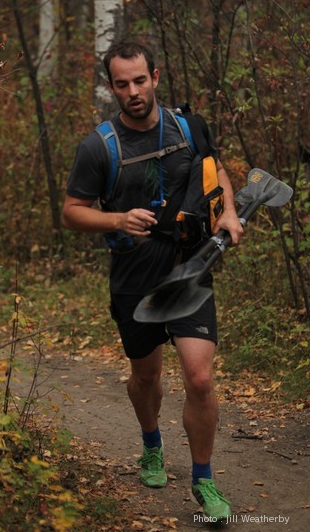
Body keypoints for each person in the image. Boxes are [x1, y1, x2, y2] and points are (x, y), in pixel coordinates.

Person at [61, 41, 243, 521]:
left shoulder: (187, 128)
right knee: (146, 376)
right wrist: (117, 219)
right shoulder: (98, 147)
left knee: (199, 378)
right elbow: (72, 212)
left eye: (140, 80)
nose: (133, 92)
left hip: (189, 270)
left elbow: (216, 170)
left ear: (155, 77)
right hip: (133, 277)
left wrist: (228, 210)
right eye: (122, 84)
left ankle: (203, 481)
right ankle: (151, 444)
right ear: (111, 87)